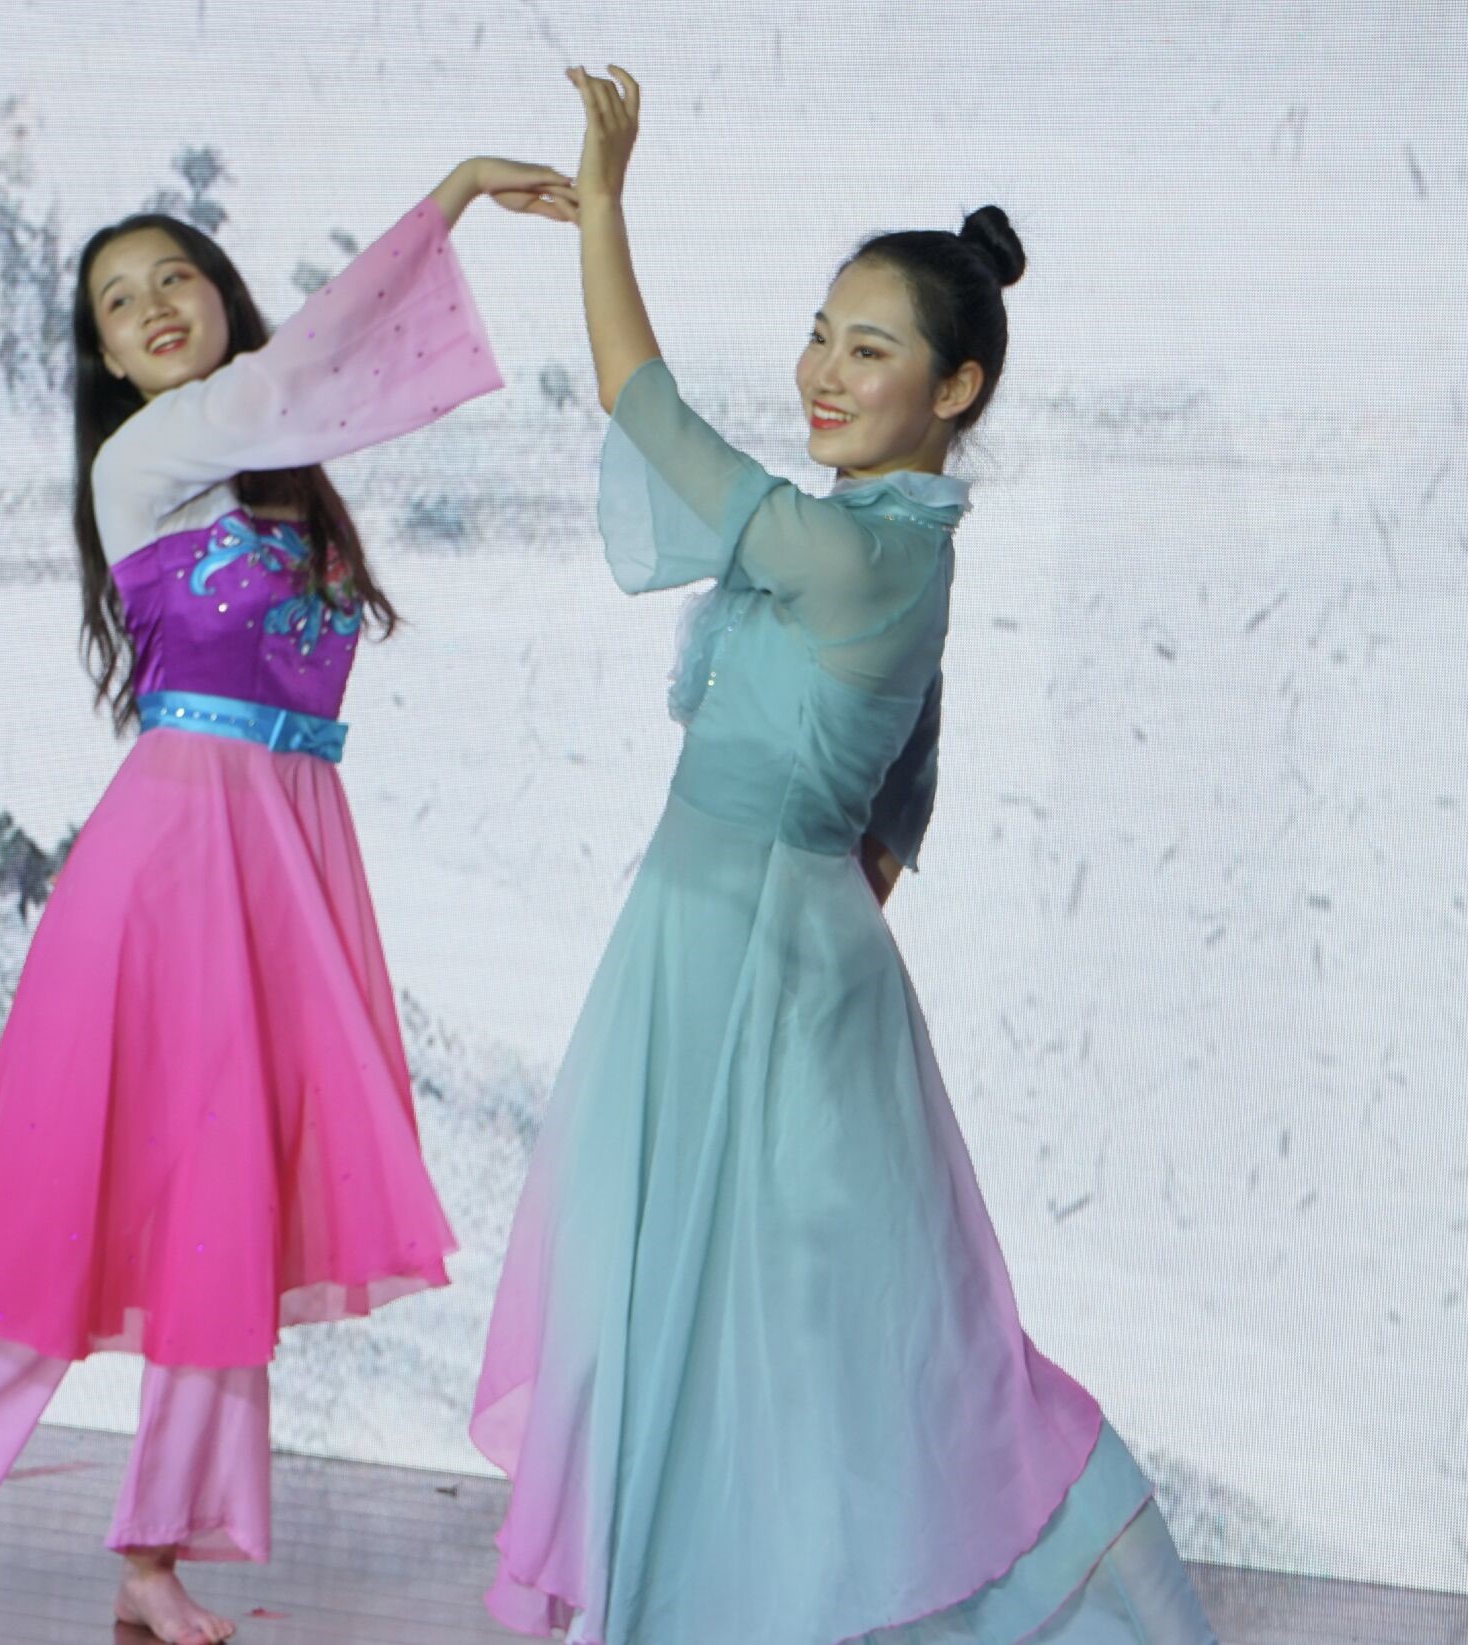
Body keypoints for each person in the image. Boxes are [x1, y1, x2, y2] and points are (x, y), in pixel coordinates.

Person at [0, 152, 575, 1645]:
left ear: (222, 299)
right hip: (170, 871)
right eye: (118, 302)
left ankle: (156, 1553)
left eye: (177, 279)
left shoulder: (274, 468)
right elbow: (305, 370)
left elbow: (296, 414)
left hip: (282, 861)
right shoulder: (153, 453)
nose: (154, 307)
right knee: (30, 1225)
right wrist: (459, 193)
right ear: (105, 356)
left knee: (225, 1223)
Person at [470, 67, 1219, 1645]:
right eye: (821, 333)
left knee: (828, 1333)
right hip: (734, 939)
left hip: (757, 956)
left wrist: (603, 211)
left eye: (868, 349)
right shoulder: (883, 548)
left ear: (956, 389)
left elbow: (646, 409)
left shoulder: (864, 554)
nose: (821, 370)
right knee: (715, 1311)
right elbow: (901, 795)